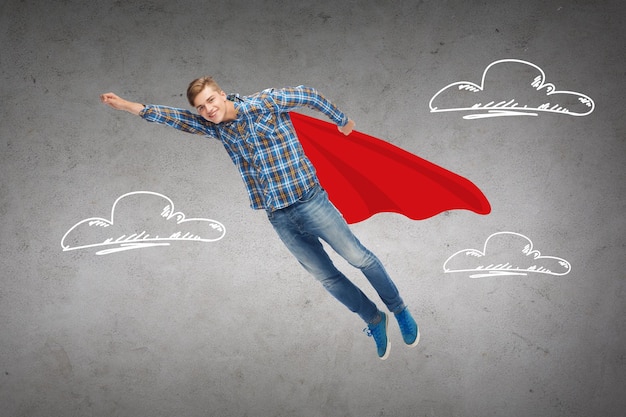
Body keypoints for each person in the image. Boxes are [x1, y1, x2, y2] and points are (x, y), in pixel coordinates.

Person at [100, 77, 419, 360]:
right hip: (278, 215)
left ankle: (399, 309)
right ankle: (374, 319)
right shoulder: (214, 126)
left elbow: (307, 94)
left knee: (358, 258)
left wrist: (341, 119)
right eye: (201, 107)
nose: (208, 109)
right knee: (327, 277)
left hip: (310, 200)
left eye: (211, 100)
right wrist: (129, 106)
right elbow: (176, 119)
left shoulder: (264, 102)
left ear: (222, 95)